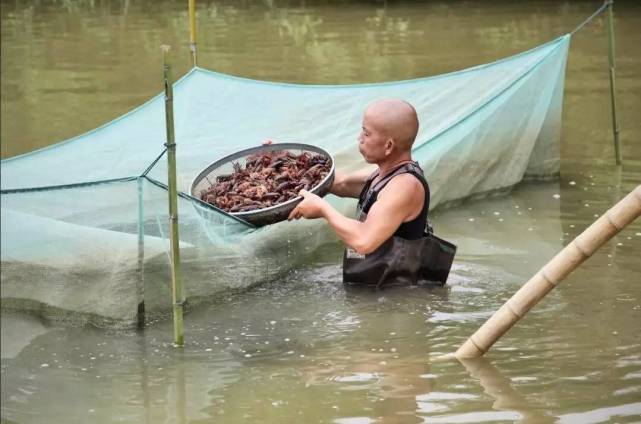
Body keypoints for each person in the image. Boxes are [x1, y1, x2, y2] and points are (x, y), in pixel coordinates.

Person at [287, 98, 446, 288]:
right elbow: (339, 184)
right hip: (375, 287)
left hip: (396, 301)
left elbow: (364, 241)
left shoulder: (405, 187)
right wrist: (284, 162)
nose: (359, 138)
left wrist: (323, 210)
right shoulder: (382, 176)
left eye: (366, 133)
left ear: (388, 146)